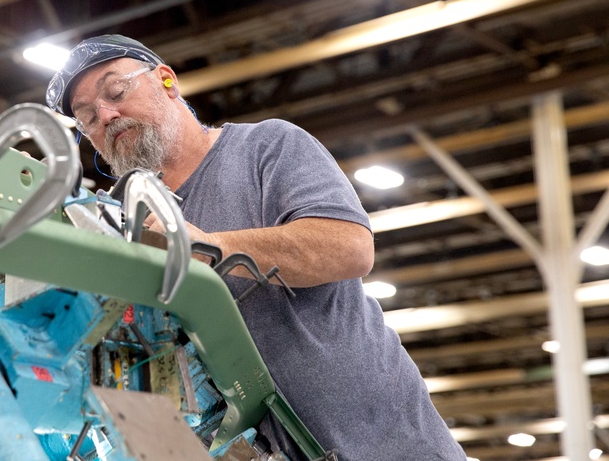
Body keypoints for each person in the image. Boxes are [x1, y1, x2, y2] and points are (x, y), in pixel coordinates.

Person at [45, 34, 465, 461]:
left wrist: (204, 246)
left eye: (116, 91)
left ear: (167, 81)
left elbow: (350, 247)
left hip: (382, 442)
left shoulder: (266, 148)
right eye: (87, 118)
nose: (107, 115)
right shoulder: (120, 222)